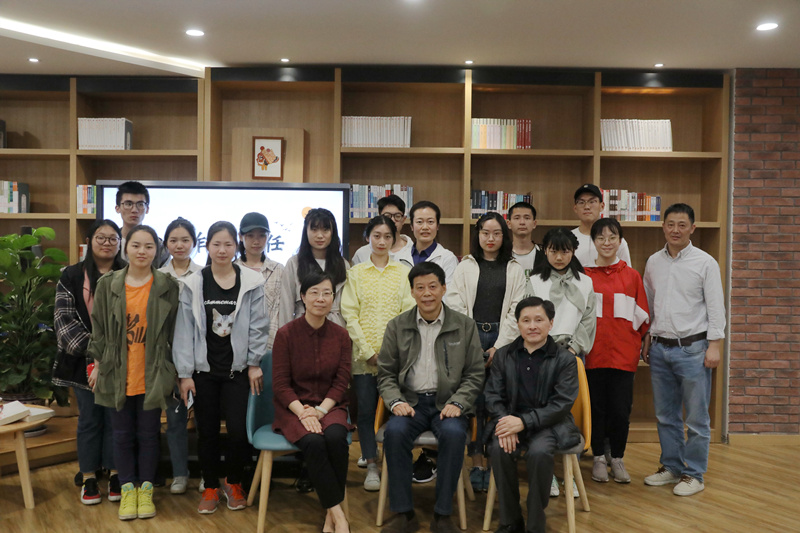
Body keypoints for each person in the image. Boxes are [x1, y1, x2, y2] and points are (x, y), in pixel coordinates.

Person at [377, 262, 484, 533]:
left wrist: (459, 402)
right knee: (395, 434)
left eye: (433, 286)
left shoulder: (464, 325)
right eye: (420, 288)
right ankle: (404, 513)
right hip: (410, 403)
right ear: (412, 292)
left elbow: (475, 373)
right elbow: (386, 374)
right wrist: (395, 401)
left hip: (448, 404)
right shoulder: (397, 326)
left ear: (444, 289)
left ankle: (442, 514)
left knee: (453, 435)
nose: (427, 293)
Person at [172, 221, 268, 514]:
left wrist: (254, 363)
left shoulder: (251, 281)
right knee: (207, 433)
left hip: (238, 372)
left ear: (236, 246)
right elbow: (184, 330)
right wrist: (185, 374)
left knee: (238, 432)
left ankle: (233, 481)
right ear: (207, 246)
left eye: (228, 244)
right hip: (203, 373)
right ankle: (211, 485)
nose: (222, 250)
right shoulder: (194, 283)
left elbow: (259, 326)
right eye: (216, 244)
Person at [87, 225, 180, 521]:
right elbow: (99, 330)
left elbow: (175, 332)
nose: (142, 251)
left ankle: (146, 491)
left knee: (150, 435)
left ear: (157, 250)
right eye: (136, 245)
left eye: (149, 246)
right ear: (126, 248)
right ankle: (128, 490)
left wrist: (176, 372)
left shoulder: (167, 285)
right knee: (122, 435)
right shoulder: (108, 284)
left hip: (153, 372)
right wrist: (97, 365)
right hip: (117, 373)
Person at [642, 203, 725, 497]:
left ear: (692, 228)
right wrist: (648, 335)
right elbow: (649, 303)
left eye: (682, 225)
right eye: (670, 224)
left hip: (694, 349)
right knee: (666, 415)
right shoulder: (653, 262)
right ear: (663, 226)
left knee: (697, 418)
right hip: (660, 348)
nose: (675, 230)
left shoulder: (705, 263)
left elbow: (716, 307)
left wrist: (715, 345)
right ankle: (672, 467)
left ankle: (694, 474)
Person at [484, 297, 580, 533]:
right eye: (526, 320)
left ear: (551, 323)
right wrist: (506, 423)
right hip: (510, 420)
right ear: (517, 324)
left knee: (539, 453)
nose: (532, 326)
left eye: (539, 320)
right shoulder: (503, 355)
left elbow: (561, 404)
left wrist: (523, 422)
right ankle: (511, 521)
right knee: (499, 449)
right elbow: (492, 396)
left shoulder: (565, 359)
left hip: (548, 425)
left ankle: (536, 524)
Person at [445, 211, 525, 491]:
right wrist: (473, 343)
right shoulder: (465, 266)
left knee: (498, 401)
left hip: (504, 339)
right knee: (474, 402)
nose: (490, 238)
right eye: (485, 233)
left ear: (504, 236)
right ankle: (476, 462)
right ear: (477, 235)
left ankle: (494, 463)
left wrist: (498, 347)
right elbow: (455, 304)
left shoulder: (514, 268)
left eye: (496, 233)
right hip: (471, 335)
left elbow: (517, 310)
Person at [273, 272, 353, 533]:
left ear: (333, 298)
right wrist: (304, 413)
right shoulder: (286, 334)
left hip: (329, 406)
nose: (321, 298)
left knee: (336, 437)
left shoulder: (341, 336)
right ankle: (338, 514)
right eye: (314, 293)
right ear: (303, 297)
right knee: (314, 441)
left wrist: (319, 411)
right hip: (293, 408)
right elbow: (281, 385)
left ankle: (330, 515)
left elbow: (341, 382)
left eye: (327, 293)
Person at [53, 219, 126, 505]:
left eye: (113, 238)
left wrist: (110, 356)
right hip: (82, 363)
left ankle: (116, 472)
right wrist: (97, 353)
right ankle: (89, 477)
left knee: (115, 419)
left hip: (120, 362)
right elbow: (64, 323)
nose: (107, 243)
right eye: (101, 238)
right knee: (89, 420)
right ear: (89, 241)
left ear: (119, 243)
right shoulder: (71, 275)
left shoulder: (128, 273)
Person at [341, 215, 415, 492]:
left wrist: (390, 352)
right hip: (364, 358)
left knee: (398, 411)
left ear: (394, 239)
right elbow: (350, 314)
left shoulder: (404, 273)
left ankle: (395, 463)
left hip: (396, 358)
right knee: (366, 411)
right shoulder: (356, 273)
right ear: (367, 238)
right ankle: (371, 463)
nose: (382, 241)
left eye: (387, 236)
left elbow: (408, 313)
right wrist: (368, 351)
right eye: (376, 236)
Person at [528, 227, 595, 497]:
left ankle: (570, 473)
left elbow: (589, 319)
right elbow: (528, 317)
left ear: (573, 252)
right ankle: (548, 475)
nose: (559, 257)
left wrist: (573, 348)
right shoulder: (534, 281)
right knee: (542, 411)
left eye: (565, 251)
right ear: (545, 251)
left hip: (572, 354)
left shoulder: (585, 282)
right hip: (540, 352)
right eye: (554, 251)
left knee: (571, 411)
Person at [584, 218, 650, 484]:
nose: (607, 243)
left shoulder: (632, 276)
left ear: (620, 241)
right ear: (594, 242)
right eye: (601, 238)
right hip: (594, 354)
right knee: (596, 408)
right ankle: (599, 457)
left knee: (621, 410)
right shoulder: (585, 277)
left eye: (612, 237)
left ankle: (618, 457)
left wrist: (642, 342)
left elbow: (642, 315)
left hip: (624, 355)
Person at [158, 217, 203, 495]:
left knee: (204, 422)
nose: (179, 245)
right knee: (175, 421)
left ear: (194, 243)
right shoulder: (158, 277)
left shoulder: (204, 275)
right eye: (173, 240)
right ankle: (179, 474)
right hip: (169, 360)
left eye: (185, 240)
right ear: (166, 244)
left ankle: (208, 475)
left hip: (202, 359)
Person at [279, 207, 349, 328]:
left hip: (335, 326)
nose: (320, 235)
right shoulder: (294, 263)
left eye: (325, 230)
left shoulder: (343, 264)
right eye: (314, 229)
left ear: (333, 233)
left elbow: (349, 306)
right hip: (302, 326)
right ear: (306, 232)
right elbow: (286, 305)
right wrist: (284, 334)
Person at [234, 212, 284, 350]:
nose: (256, 241)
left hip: (271, 344)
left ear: (268, 236)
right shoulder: (233, 270)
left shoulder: (278, 270)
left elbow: (278, 310)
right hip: (237, 345)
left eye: (262, 235)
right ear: (240, 237)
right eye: (250, 236)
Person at [395, 200, 459, 287]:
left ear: (438, 226)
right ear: (411, 226)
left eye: (430, 222)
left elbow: (448, 292)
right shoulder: (399, 257)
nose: (425, 227)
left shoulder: (448, 258)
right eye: (419, 222)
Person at [571, 183, 631, 267]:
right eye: (581, 202)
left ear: (602, 206)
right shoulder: (568, 239)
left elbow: (626, 272)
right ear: (575, 208)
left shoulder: (615, 240)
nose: (587, 207)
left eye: (592, 201)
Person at [114, 180, 169, 266]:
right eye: (128, 204)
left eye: (140, 204)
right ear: (117, 208)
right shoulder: (110, 243)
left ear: (147, 209)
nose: (134, 210)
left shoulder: (160, 247)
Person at [351, 194, 414, 266]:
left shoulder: (414, 251)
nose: (392, 220)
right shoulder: (362, 253)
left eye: (397, 216)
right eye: (387, 216)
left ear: (403, 220)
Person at [506, 201, 541, 293]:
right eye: (517, 218)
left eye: (527, 218)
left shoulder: (545, 254)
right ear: (509, 223)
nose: (522, 222)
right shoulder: (501, 254)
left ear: (534, 224)